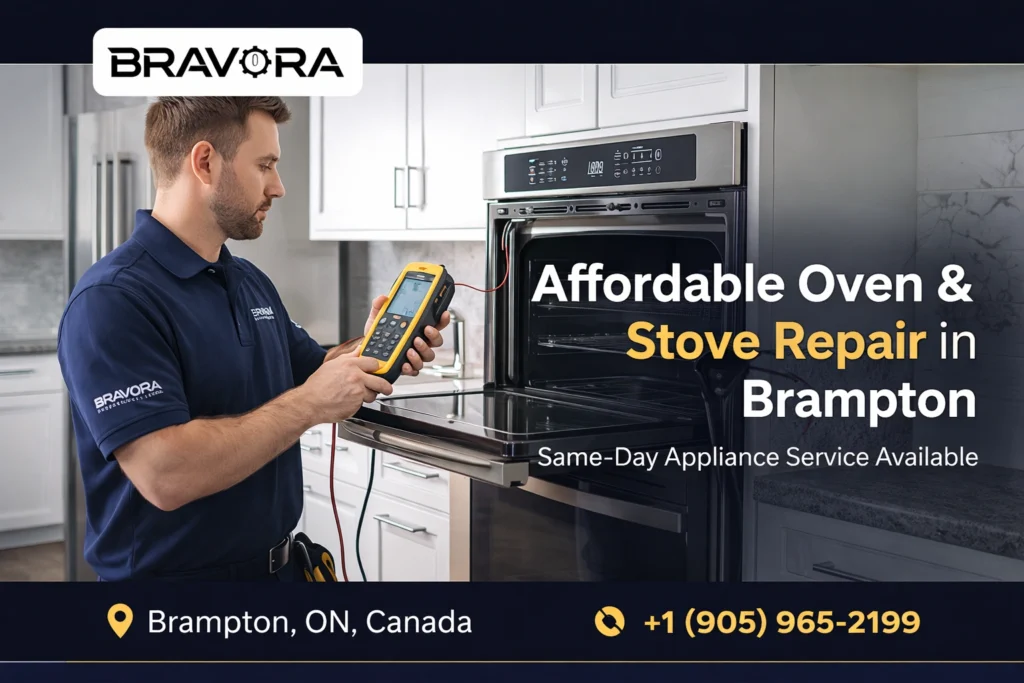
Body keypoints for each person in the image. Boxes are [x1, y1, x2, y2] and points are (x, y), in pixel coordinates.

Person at [56, 97, 449, 581]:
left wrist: (374, 347)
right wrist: (309, 405)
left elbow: (317, 371)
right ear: (205, 162)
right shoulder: (113, 300)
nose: (278, 187)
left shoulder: (247, 280)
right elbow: (165, 473)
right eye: (264, 166)